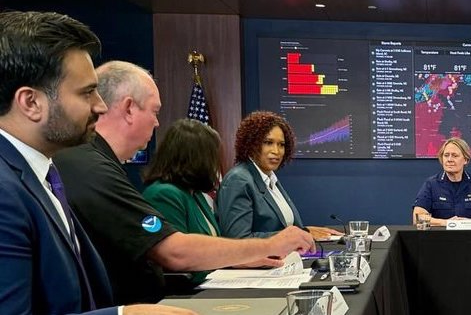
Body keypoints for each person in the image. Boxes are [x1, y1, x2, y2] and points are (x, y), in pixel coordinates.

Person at [54, 61, 314, 304]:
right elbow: (172, 250)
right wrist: (270, 245)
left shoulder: (96, 163)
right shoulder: (93, 168)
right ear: (129, 108)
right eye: (155, 111)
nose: (157, 123)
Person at [0, 11, 195, 314]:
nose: (100, 106)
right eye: (87, 92)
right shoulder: (5, 192)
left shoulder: (44, 173)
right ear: (31, 102)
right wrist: (123, 314)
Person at [217, 111, 342, 240]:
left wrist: (305, 231)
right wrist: (295, 236)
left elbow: (283, 228)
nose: (276, 151)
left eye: (281, 145)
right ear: (252, 144)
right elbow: (237, 239)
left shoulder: (269, 178)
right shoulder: (238, 179)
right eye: (268, 142)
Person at [142, 119, 222, 285]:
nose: (215, 164)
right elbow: (178, 263)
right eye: (212, 156)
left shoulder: (195, 193)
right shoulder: (164, 194)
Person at [412, 137, 471, 226]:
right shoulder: (431, 185)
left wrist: (467, 223)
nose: (449, 159)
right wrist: (448, 223)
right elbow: (418, 218)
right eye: (446, 155)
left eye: (455, 156)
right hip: (440, 238)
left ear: (465, 160)